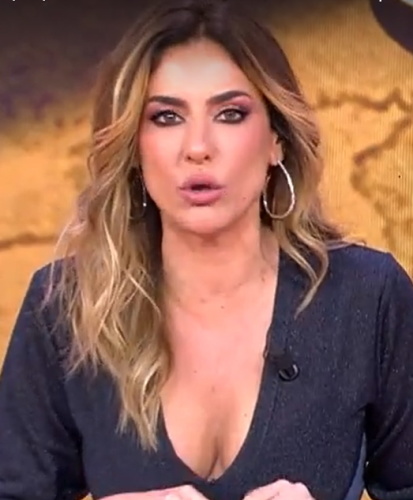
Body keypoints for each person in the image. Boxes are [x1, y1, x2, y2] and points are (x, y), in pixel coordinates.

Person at [0, 1, 412, 499]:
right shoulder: (63, 306)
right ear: (134, 147)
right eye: (167, 117)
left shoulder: (368, 296)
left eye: (230, 114)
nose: (197, 147)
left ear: (276, 141)